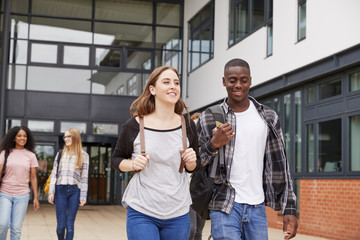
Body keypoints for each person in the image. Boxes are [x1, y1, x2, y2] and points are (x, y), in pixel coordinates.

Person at [196, 58, 298, 240]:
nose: (238, 85)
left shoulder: (268, 117)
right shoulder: (210, 116)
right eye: (232, 80)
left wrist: (289, 207)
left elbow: (281, 164)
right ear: (224, 81)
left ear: (250, 80)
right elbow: (195, 162)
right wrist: (213, 144)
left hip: (257, 207)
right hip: (224, 204)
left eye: (243, 80)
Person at [111, 66, 200, 240]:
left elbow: (193, 166)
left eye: (176, 83)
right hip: (142, 210)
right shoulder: (134, 125)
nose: (173, 86)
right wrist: (132, 164)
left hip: (178, 211)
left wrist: (191, 162)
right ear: (152, 89)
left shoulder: (188, 126)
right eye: (166, 82)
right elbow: (116, 159)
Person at [47, 128, 89, 240]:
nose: (66, 139)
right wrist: (51, 192)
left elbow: (84, 178)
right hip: (60, 190)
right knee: (61, 226)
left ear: (75, 137)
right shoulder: (60, 154)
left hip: (75, 191)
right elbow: (54, 175)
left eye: (69, 136)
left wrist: (83, 196)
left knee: (69, 225)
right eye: (65, 137)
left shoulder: (84, 156)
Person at [0, 126, 40, 240]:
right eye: (19, 136)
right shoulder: (4, 153)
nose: (22, 138)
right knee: (3, 224)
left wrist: (36, 197)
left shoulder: (31, 155)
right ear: (13, 138)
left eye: (25, 136)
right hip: (5, 193)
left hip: (22, 195)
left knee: (16, 228)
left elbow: (33, 178)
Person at [188, 112, 206, 240]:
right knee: (191, 229)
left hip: (202, 191)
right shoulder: (187, 146)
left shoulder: (207, 147)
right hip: (187, 191)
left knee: (199, 231)